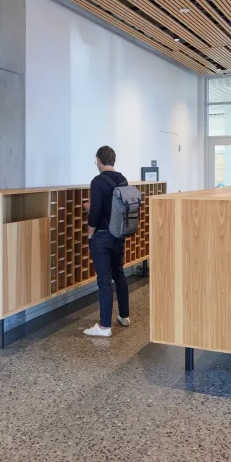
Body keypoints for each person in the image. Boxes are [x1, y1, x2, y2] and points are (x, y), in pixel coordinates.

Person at [82, 145, 131, 338]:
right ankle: (124, 316)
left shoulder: (97, 181)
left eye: (96, 161)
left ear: (99, 161)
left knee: (104, 281)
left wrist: (89, 233)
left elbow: (95, 212)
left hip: (102, 234)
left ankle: (104, 326)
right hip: (119, 233)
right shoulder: (122, 179)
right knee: (119, 273)